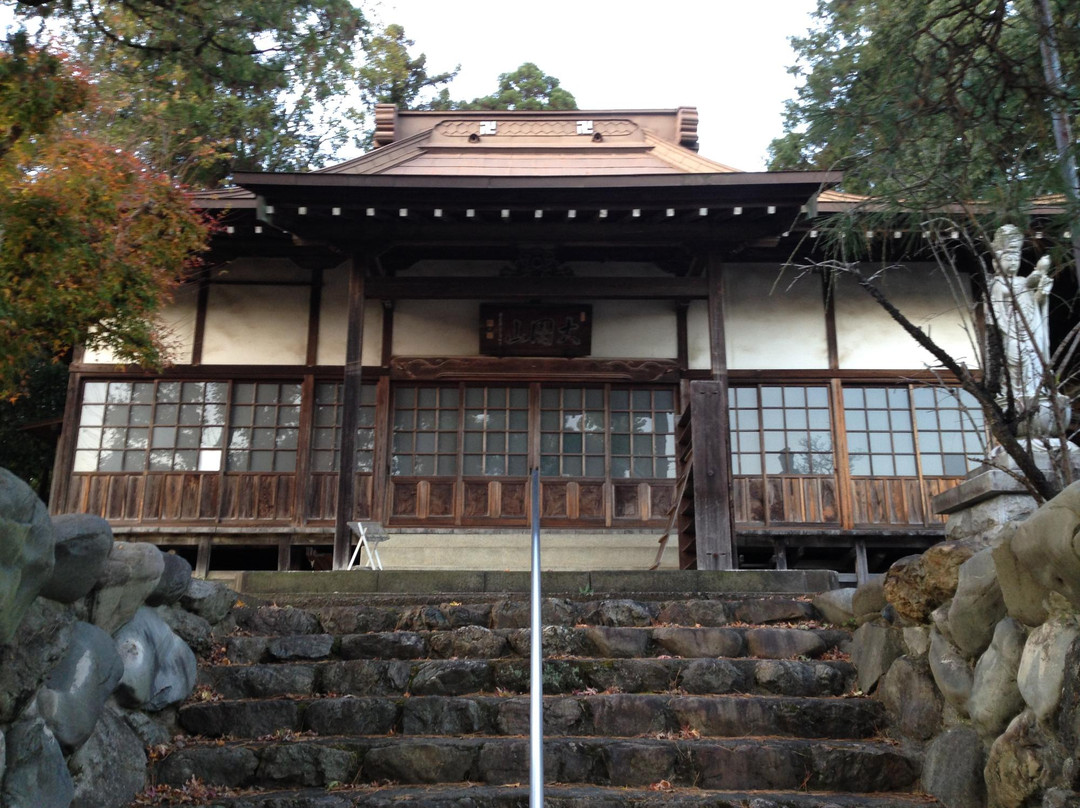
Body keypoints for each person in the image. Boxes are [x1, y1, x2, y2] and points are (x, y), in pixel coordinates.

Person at [988, 225, 1053, 411]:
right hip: (1010, 329)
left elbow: (1035, 301)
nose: (1014, 262)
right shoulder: (998, 283)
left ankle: (1035, 391)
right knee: (1014, 361)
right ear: (998, 261)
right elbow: (996, 308)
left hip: (1030, 328)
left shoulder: (1023, 282)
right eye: (1009, 258)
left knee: (1033, 358)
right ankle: (1014, 393)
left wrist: (1041, 291)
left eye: (1016, 258)